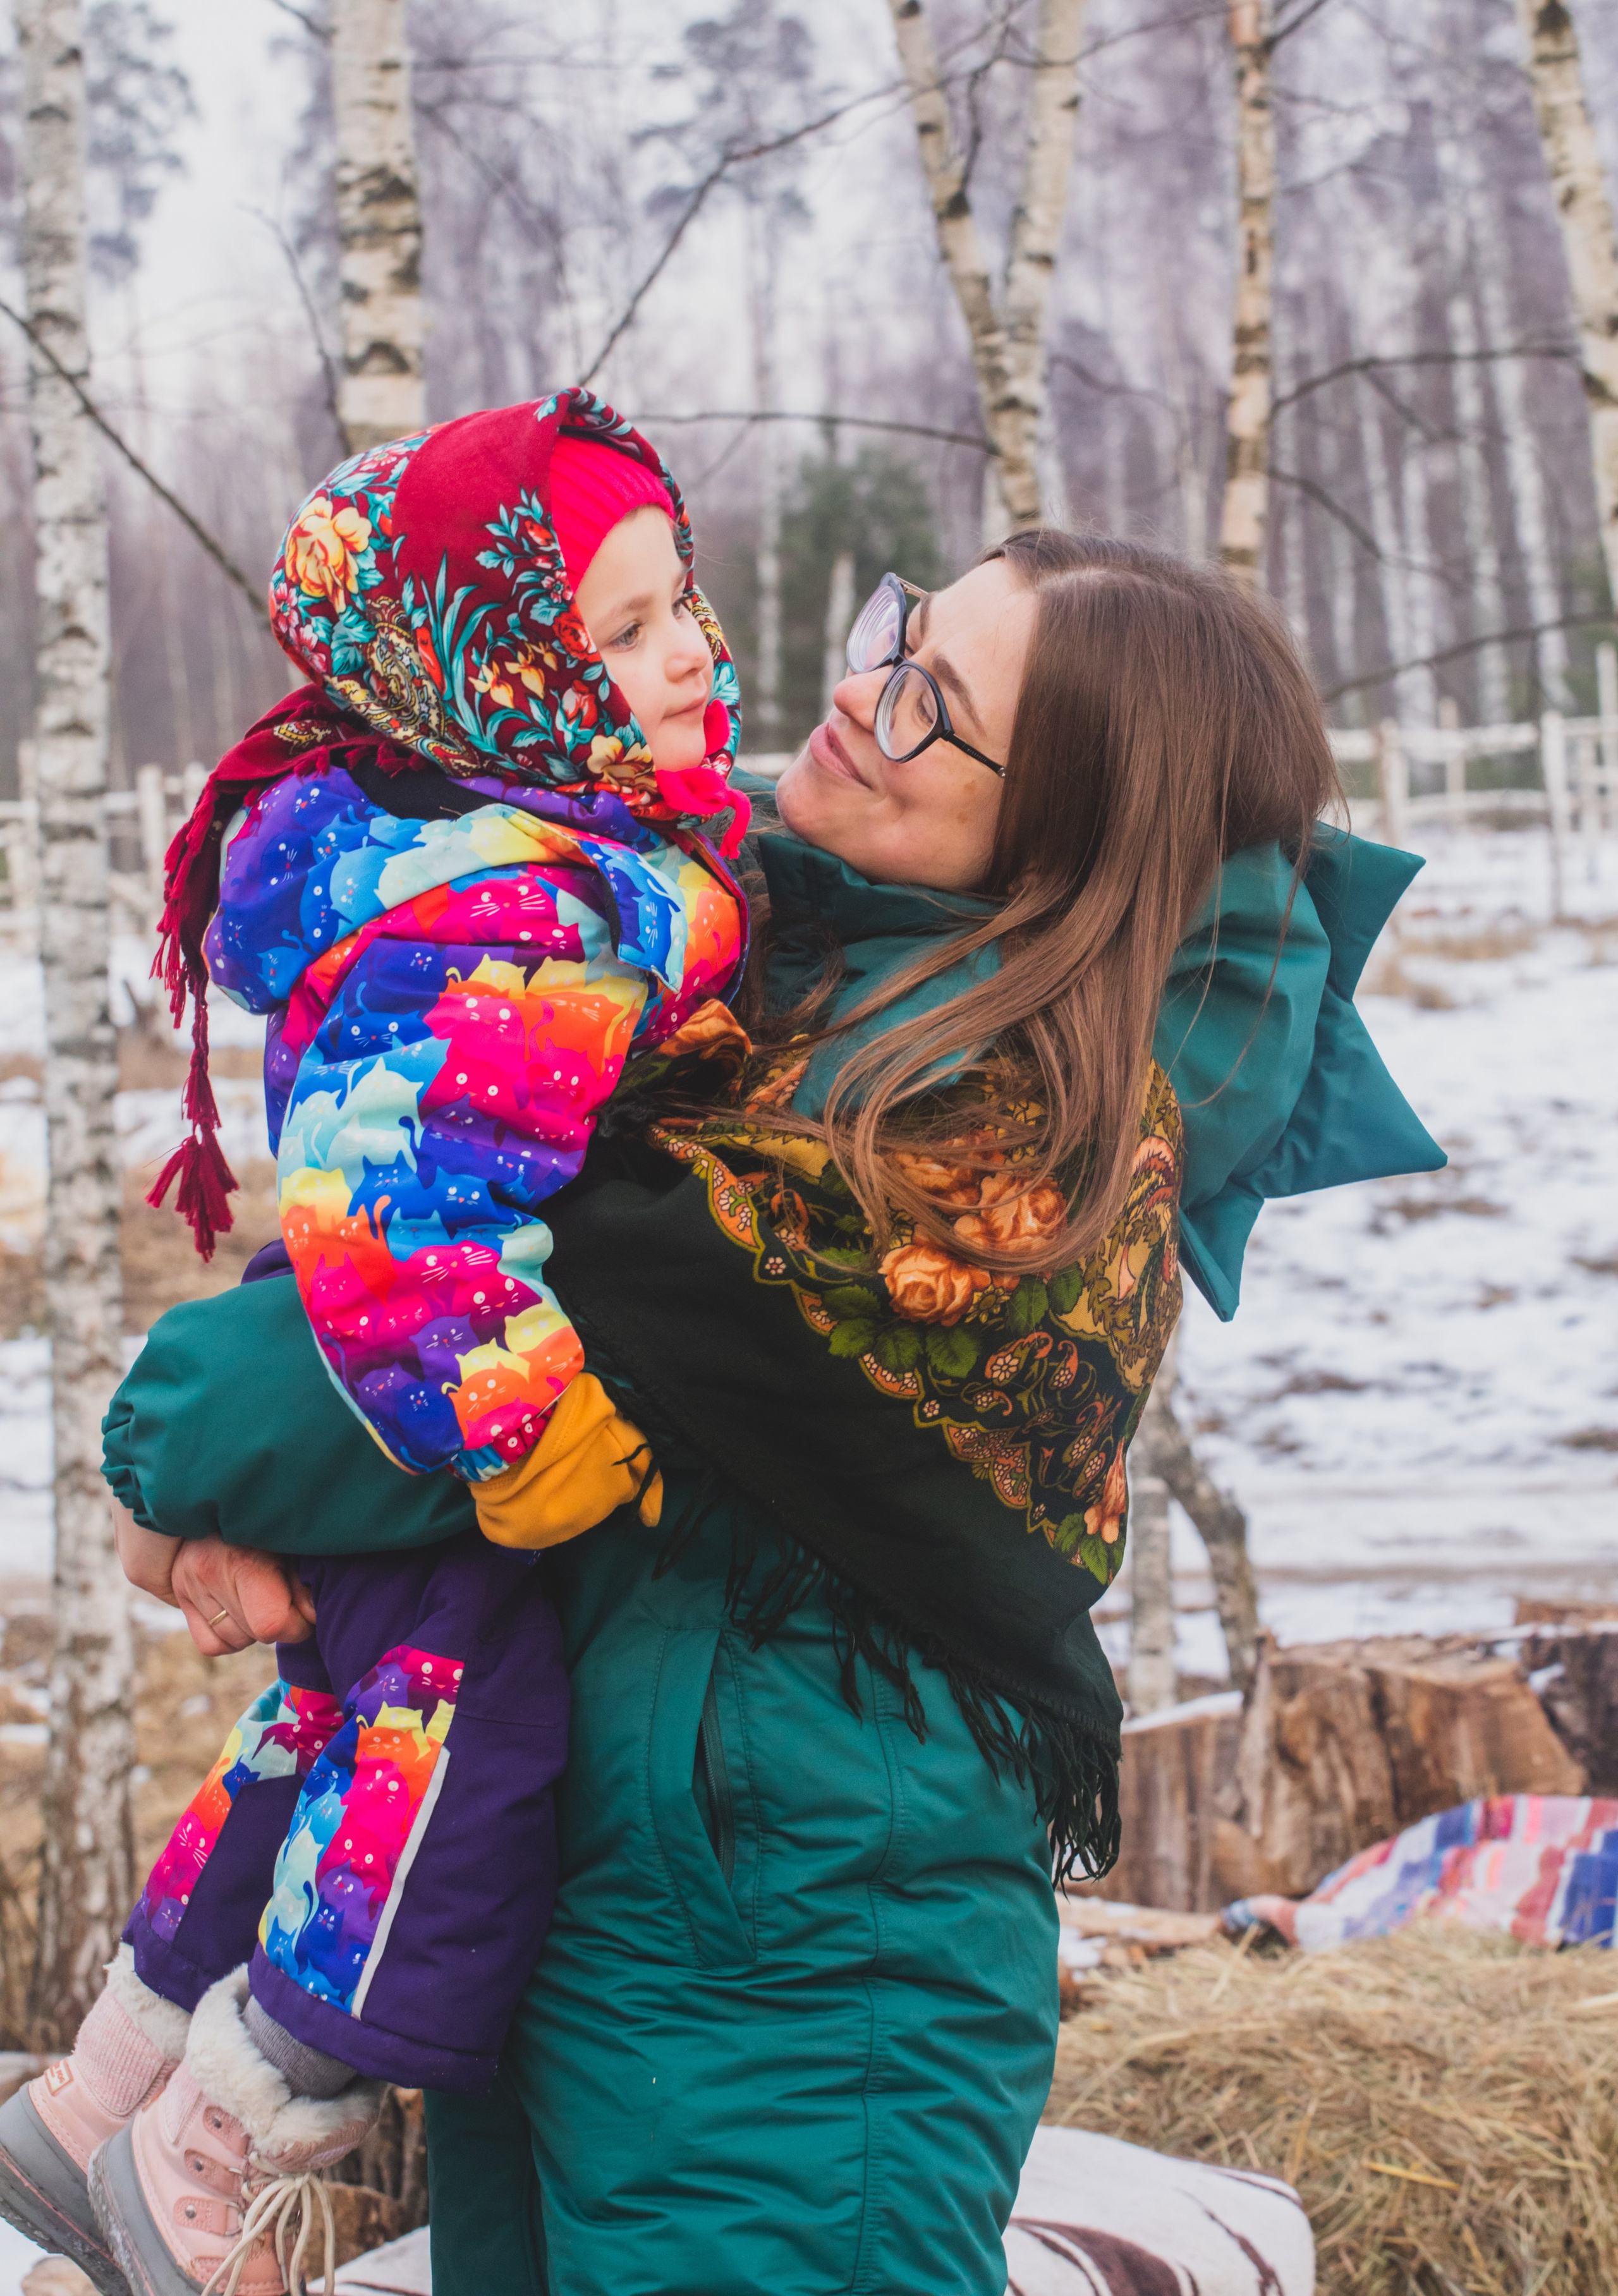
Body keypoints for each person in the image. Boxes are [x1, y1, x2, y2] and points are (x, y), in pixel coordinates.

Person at [112, 531, 1438, 2296]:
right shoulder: (773, 962)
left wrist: (164, 1467)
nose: (859, 692)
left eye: (935, 705)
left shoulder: (986, 1146)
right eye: (901, 630)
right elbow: (412, 1253)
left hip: (800, 1983)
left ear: (1067, 840)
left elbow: (391, 1359)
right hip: (623, 1909)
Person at [0, 389, 753, 2296]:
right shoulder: (510, 910)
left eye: (683, 598)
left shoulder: (492, 844)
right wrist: (535, 1428)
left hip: (366, 1400)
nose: (694, 651)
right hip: (445, 1409)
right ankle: (217, 2147)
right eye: (626, 630)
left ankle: (99, 2092)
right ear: (494, 681)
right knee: (453, 1768)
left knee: (328, 1730)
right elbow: (398, 1221)